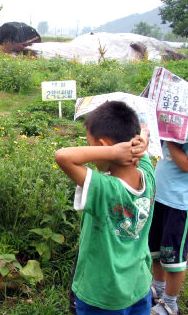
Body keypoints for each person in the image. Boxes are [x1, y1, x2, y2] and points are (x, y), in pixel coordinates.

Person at [54, 101, 155, 314]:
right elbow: (144, 131)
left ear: (104, 146)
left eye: (90, 144)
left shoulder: (105, 189)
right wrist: (141, 141)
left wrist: (112, 153)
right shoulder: (148, 173)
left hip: (101, 295)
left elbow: (62, 156)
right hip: (138, 286)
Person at [148, 141, 188, 315]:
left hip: (179, 203)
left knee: (174, 257)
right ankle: (158, 288)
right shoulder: (172, 125)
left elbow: (185, 166)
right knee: (157, 250)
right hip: (160, 197)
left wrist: (170, 140)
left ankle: (170, 303)